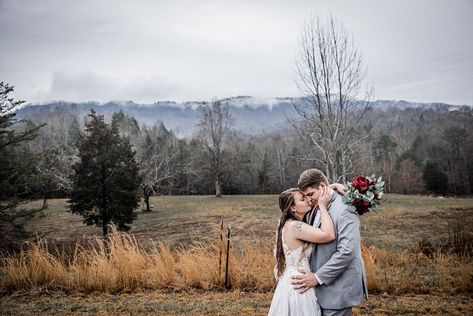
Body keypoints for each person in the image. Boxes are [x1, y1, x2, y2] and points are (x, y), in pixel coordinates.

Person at [291, 169, 368, 316]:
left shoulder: (344, 208)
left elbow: (347, 251)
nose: (308, 199)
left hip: (339, 288)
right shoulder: (319, 204)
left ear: (321, 186)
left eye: (310, 194)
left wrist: (317, 277)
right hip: (323, 290)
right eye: (305, 196)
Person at [268, 187, 335, 316]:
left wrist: (333, 187)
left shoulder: (286, 223)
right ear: (293, 208)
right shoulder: (296, 226)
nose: (308, 200)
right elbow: (329, 235)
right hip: (299, 283)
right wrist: (322, 207)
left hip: (290, 280)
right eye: (302, 199)